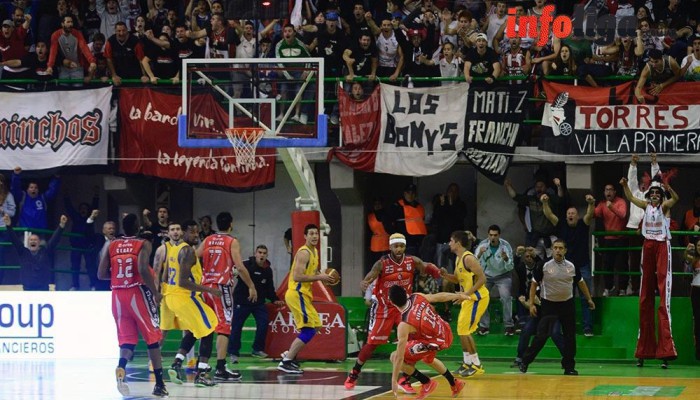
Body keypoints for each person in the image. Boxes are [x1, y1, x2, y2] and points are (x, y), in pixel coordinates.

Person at [345, 232, 442, 392]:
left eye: (402, 246)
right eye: (396, 246)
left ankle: (405, 379)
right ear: (390, 247)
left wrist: (438, 272)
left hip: (404, 308)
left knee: (413, 342)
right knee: (372, 343)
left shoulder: (412, 261)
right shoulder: (382, 263)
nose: (399, 249)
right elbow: (370, 276)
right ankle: (354, 373)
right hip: (384, 308)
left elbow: (426, 267)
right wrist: (364, 282)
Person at [96, 214, 168, 397]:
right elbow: (144, 269)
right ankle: (159, 383)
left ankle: (121, 367)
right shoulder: (143, 243)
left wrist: (118, 276)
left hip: (117, 295)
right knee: (152, 338)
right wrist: (155, 292)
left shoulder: (112, 244)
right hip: (136, 293)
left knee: (127, 339)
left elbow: (100, 274)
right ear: (137, 227)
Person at [620, 177, 679, 368]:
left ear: (660, 196)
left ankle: (666, 351)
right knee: (645, 297)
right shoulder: (646, 206)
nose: (654, 196)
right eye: (652, 193)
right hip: (648, 246)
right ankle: (643, 351)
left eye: (657, 194)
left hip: (662, 246)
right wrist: (624, 186)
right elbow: (630, 197)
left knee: (663, 297)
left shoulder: (665, 207)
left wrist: (668, 188)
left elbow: (676, 199)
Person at [519, 239, 595, 375]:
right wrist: (531, 304)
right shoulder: (544, 265)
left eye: (560, 248)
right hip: (549, 305)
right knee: (542, 336)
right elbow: (534, 284)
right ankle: (525, 361)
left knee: (570, 337)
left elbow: (581, 283)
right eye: (555, 248)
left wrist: (589, 299)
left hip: (567, 304)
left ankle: (569, 366)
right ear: (552, 250)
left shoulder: (571, 266)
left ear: (565, 250)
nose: (558, 250)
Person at [197, 211, 257, 380]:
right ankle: (221, 367)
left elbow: (194, 256)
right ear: (231, 224)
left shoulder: (208, 240)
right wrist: (251, 285)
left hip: (205, 286)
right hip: (221, 287)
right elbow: (240, 266)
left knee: (207, 325)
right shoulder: (232, 241)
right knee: (224, 325)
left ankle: (202, 365)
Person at [162, 220, 221, 387]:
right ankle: (201, 374)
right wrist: (209, 290)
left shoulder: (173, 249)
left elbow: (165, 277)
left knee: (197, 330)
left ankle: (176, 363)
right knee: (209, 327)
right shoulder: (187, 251)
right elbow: (182, 282)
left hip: (172, 297)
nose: (196, 235)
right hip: (184, 297)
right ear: (183, 233)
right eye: (192, 232)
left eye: (197, 232)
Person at [388, 284, 466, 399]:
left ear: (392, 302)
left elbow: (399, 357)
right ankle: (454, 383)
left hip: (436, 341)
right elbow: (439, 297)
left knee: (394, 357)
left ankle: (426, 382)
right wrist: (457, 295)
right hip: (445, 330)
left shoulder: (404, 325)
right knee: (428, 358)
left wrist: (394, 379)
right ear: (405, 293)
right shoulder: (417, 296)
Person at [277, 224, 335, 374]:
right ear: (305, 236)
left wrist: (324, 279)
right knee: (308, 330)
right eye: (311, 234)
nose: (315, 236)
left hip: (303, 295)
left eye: (316, 233)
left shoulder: (314, 251)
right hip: (297, 293)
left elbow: (313, 272)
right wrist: (319, 277)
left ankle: (288, 354)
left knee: (316, 326)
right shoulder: (303, 253)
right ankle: (287, 361)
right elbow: (297, 276)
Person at [542, 194, 596, 336]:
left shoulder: (583, 225)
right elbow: (549, 215)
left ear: (577, 216)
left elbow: (590, 214)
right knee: (564, 299)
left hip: (582, 266)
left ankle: (587, 327)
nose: (571, 215)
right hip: (565, 269)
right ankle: (562, 329)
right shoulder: (561, 225)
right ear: (566, 217)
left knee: (586, 297)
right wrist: (545, 202)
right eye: (569, 214)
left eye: (573, 213)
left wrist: (591, 203)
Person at [440, 230, 490, 378]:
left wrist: (466, 295)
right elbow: (457, 279)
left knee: (465, 330)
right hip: (468, 298)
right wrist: (445, 275)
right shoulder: (458, 258)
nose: (449, 243)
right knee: (461, 330)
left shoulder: (469, 258)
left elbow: (482, 279)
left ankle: (476, 364)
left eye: (451, 241)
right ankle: (467, 362)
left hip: (477, 298)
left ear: (458, 243)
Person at [229, 244, 285, 362]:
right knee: (236, 327)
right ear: (255, 254)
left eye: (264, 253)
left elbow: (270, 288)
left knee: (263, 323)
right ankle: (233, 352)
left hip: (258, 303)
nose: (262, 255)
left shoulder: (268, 270)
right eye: (260, 252)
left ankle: (257, 349)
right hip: (241, 301)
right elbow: (234, 270)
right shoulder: (245, 264)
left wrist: (275, 299)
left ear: (267, 255)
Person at [2, 214, 66, 291]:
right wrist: (8, 226)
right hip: (28, 290)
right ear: (28, 243)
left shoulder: (45, 252)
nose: (33, 241)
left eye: (35, 240)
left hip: (43, 290)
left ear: (39, 242)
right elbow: (14, 240)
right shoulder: (23, 252)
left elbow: (54, 240)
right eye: (31, 240)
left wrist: (61, 226)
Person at [626, 153, 660, 295]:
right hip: (633, 229)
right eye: (642, 184)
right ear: (639, 184)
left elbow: (657, 182)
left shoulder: (652, 195)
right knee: (634, 261)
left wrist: (654, 164)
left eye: (647, 184)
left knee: (651, 261)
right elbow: (631, 180)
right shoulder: (634, 192)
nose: (644, 186)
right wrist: (633, 165)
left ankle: (653, 288)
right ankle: (634, 287)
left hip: (650, 230)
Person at [474, 224, 514, 336]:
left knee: (506, 297)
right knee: (481, 297)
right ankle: (484, 325)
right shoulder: (482, 245)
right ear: (488, 235)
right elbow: (473, 262)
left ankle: (509, 326)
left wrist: (506, 259)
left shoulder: (506, 246)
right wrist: (480, 254)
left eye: (495, 235)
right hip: (486, 276)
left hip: (503, 275)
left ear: (499, 235)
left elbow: (511, 267)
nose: (493, 238)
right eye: (491, 235)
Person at [594, 182, 629, 297]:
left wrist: (611, 207)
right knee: (607, 264)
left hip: (621, 238)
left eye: (610, 189)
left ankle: (622, 289)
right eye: (606, 190)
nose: (608, 192)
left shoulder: (621, 202)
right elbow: (594, 214)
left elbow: (623, 214)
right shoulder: (602, 204)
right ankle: (608, 287)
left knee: (622, 264)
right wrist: (590, 204)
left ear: (614, 192)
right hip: (608, 238)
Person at [64, 191, 99, 290]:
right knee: (75, 266)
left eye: (85, 209)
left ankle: (93, 285)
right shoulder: (76, 217)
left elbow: (95, 208)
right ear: (79, 210)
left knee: (90, 266)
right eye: (82, 209)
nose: (83, 210)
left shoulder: (90, 218)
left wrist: (96, 196)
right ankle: (75, 285)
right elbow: (69, 209)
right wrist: (66, 197)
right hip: (76, 246)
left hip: (87, 246)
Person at [10, 166, 60, 230]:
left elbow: (52, 191)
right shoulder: (23, 197)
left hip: (40, 232)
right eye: (31, 187)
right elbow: (15, 189)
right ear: (27, 189)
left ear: (38, 190)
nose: (33, 189)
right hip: (25, 232)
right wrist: (16, 175)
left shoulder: (43, 198)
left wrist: (56, 178)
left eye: (35, 188)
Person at [389, 183, 427, 257]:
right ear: (404, 193)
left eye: (413, 193)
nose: (410, 195)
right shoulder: (397, 206)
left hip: (420, 241)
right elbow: (388, 223)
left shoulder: (419, 206)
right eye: (408, 193)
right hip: (407, 241)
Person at [683, 240, 700, 360]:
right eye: (699, 245)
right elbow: (686, 274)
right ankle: (698, 352)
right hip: (696, 291)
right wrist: (687, 259)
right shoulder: (693, 260)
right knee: (698, 321)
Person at [0, 174, 16, 282]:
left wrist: (3, 211)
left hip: (4, 228)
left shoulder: (8, 195)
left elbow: (13, 212)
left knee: (1, 254)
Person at [367, 197, 390, 269]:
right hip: (375, 246)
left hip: (387, 245)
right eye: (375, 204)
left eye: (379, 204)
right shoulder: (370, 216)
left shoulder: (387, 215)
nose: (377, 206)